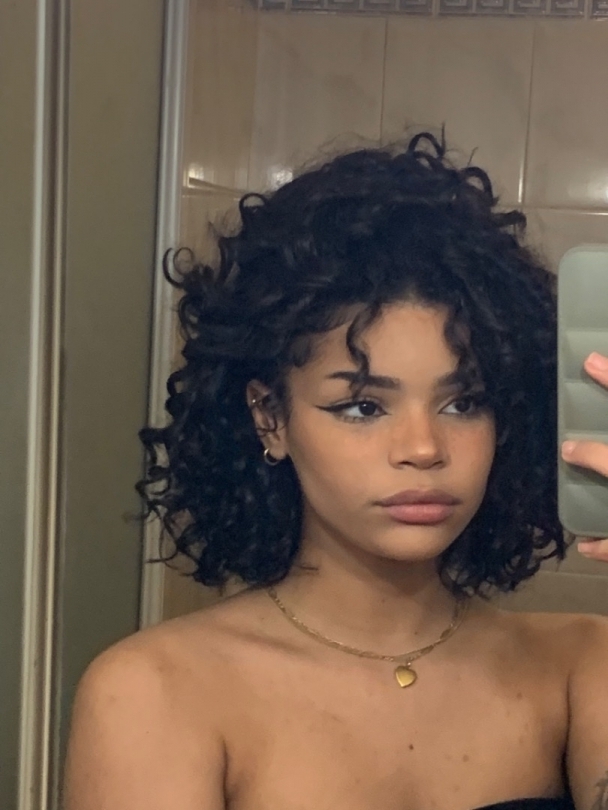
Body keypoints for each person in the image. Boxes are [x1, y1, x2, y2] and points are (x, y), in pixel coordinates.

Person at [62, 132, 608, 810]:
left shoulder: (583, 666)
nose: (423, 448)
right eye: (362, 407)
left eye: (464, 402)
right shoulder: (157, 691)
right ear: (271, 418)